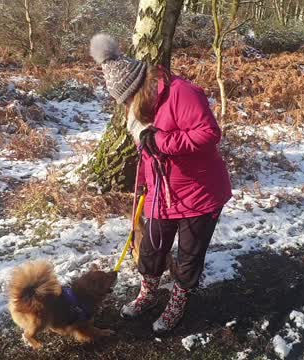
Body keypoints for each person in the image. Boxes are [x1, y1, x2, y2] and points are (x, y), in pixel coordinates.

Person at [90, 34, 232, 333]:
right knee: (152, 249)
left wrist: (162, 140)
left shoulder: (182, 93)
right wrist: (144, 178)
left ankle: (178, 302)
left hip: (200, 193)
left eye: (127, 99)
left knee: (189, 256)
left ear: (139, 87)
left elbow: (209, 134)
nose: (126, 106)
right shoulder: (140, 106)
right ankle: (148, 292)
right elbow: (147, 148)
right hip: (161, 192)